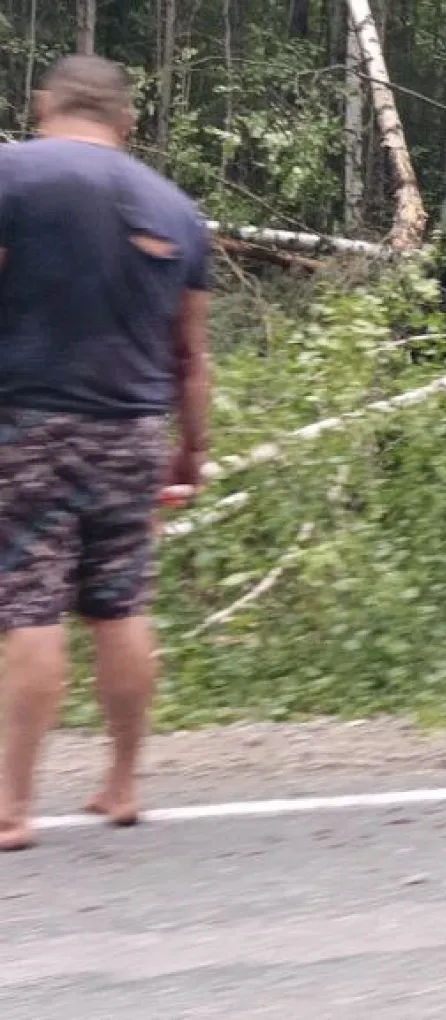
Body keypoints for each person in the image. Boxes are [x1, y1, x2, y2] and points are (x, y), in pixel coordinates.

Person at [0, 55, 211, 851]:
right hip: (133, 431)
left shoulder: (11, 175)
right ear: (126, 124)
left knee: (29, 606)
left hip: (26, 423)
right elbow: (193, 353)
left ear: (42, 105)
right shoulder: (176, 208)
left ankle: (13, 807)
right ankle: (122, 784)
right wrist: (192, 450)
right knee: (121, 605)